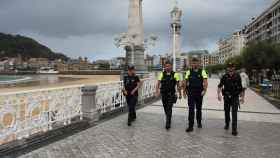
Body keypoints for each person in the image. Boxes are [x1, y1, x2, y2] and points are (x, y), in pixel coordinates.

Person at [217, 63, 244, 136]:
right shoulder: (224, 76)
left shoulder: (237, 76)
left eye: (232, 67)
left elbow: (241, 87)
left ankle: (234, 129)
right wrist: (218, 94)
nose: (231, 68)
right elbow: (220, 86)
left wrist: (242, 97)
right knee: (226, 111)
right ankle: (227, 123)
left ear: (234, 68)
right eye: (229, 67)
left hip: (235, 97)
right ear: (227, 68)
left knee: (234, 113)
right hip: (226, 97)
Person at [183, 58, 208, 132]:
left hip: (199, 93)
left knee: (199, 109)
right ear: (191, 64)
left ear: (198, 63)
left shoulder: (202, 71)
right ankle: (190, 126)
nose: (195, 65)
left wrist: (204, 90)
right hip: (190, 92)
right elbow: (185, 82)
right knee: (191, 109)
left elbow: (205, 82)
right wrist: (184, 91)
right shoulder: (188, 72)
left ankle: (199, 122)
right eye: (193, 63)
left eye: (196, 63)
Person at [156, 61, 181, 130]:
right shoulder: (162, 74)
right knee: (165, 108)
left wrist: (180, 94)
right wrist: (157, 91)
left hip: (171, 94)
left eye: (169, 66)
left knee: (169, 108)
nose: (167, 67)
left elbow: (178, 85)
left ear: (171, 66)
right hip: (163, 94)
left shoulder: (175, 74)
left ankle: (168, 123)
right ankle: (168, 117)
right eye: (166, 66)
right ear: (164, 67)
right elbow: (158, 83)